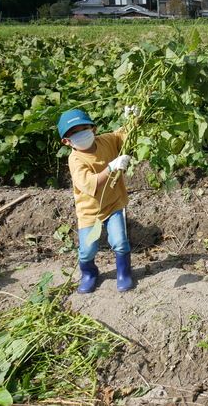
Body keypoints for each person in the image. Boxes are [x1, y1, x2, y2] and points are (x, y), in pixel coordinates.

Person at [57, 108, 134, 294]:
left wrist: (132, 117)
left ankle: (123, 273)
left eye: (84, 128)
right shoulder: (75, 159)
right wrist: (111, 167)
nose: (80, 134)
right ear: (66, 142)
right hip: (90, 213)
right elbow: (90, 183)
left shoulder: (106, 141)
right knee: (88, 249)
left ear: (94, 129)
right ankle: (89, 274)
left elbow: (124, 135)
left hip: (113, 204)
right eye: (74, 133)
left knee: (120, 241)